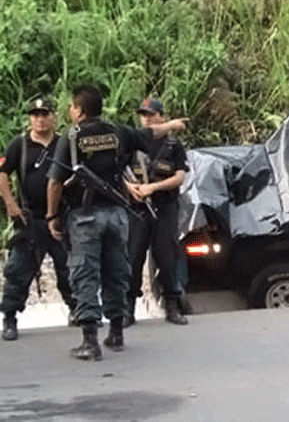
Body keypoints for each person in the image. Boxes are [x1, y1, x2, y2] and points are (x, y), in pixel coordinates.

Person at [46, 85, 185, 360]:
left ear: (80, 110)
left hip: (85, 216)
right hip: (117, 215)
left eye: (72, 106)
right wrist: (171, 125)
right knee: (116, 271)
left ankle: (90, 341)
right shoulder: (118, 132)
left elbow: (55, 182)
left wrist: (52, 216)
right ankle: (116, 332)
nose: (70, 110)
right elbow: (150, 133)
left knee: (85, 273)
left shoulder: (72, 137)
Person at [0, 97, 77, 341]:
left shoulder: (64, 143)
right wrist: (11, 204)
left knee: (70, 268)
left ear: (54, 116)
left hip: (61, 218)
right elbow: (2, 173)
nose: (40, 119)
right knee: (18, 271)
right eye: (35, 115)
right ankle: (10, 317)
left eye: (45, 114)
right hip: (30, 219)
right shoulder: (19, 145)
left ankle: (78, 311)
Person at [123, 98, 189, 327]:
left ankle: (172, 305)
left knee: (166, 256)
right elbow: (119, 173)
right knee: (132, 257)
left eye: (151, 114)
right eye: (143, 115)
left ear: (162, 116)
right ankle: (128, 309)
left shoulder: (173, 145)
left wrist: (153, 187)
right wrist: (131, 188)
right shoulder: (133, 143)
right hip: (137, 209)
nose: (146, 119)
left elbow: (179, 177)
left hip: (165, 206)